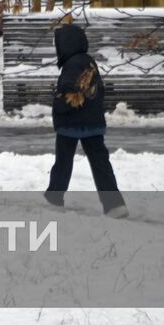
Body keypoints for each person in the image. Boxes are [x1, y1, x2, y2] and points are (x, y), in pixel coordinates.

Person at [45, 23, 128, 217]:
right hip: (93, 123)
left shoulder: (71, 65)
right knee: (101, 165)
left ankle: (54, 199)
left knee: (63, 164)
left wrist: (58, 105)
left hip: (71, 125)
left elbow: (70, 94)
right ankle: (115, 205)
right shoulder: (89, 62)